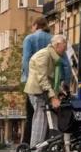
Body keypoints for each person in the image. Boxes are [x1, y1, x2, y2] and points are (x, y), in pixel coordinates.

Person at [21, 17, 71, 145]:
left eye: (32, 26)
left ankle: (31, 145)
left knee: (33, 116)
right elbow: (66, 65)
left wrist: (28, 77)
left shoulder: (30, 39)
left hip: (36, 83)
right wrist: (65, 83)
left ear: (36, 25)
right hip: (49, 83)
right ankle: (45, 145)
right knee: (50, 114)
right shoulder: (54, 39)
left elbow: (26, 60)